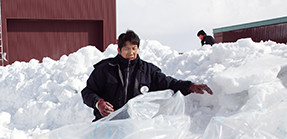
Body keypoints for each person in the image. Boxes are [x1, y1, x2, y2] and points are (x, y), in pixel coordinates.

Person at [82, 30, 213, 121]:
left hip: (132, 129)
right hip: (106, 125)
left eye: (134, 48)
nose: (131, 52)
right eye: (127, 49)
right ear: (119, 50)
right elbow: (87, 92)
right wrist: (98, 103)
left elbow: (168, 83)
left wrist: (189, 86)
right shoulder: (105, 69)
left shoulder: (147, 70)